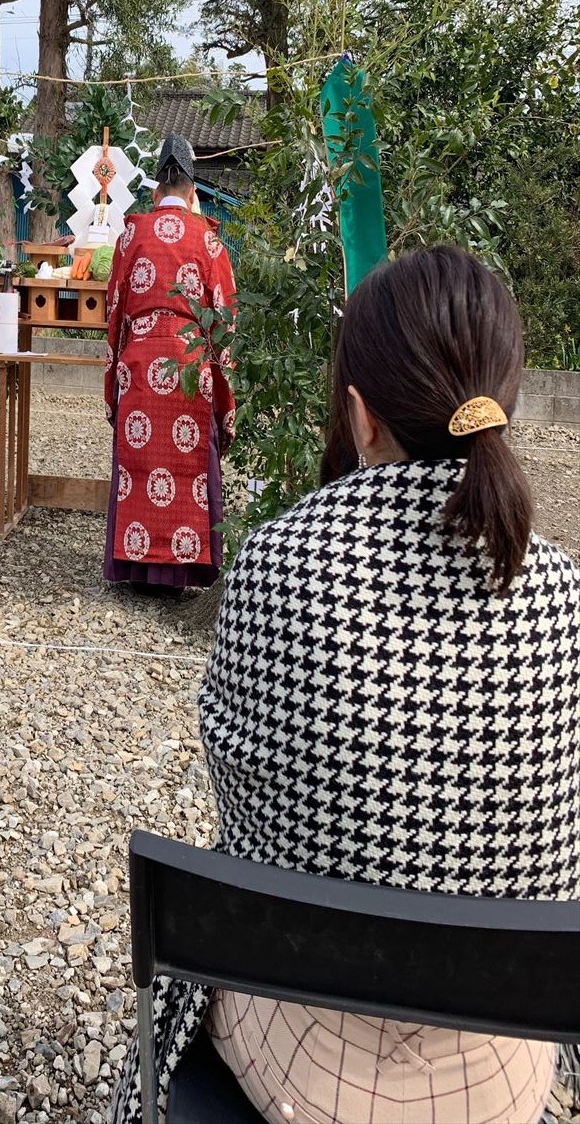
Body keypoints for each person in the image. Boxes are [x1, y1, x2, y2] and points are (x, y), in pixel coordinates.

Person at [111, 245, 580, 1124]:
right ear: (504, 404)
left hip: (305, 1060)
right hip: (498, 1068)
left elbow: (237, 783)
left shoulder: (282, 562)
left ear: (359, 417)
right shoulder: (559, 593)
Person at [103, 133, 237, 592]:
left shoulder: (130, 234)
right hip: (190, 365)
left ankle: (134, 566)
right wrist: (225, 397)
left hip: (139, 361)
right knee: (187, 467)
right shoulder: (211, 241)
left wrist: (113, 381)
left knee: (139, 465)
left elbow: (115, 309)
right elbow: (224, 319)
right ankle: (186, 569)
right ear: (193, 195)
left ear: (156, 192)